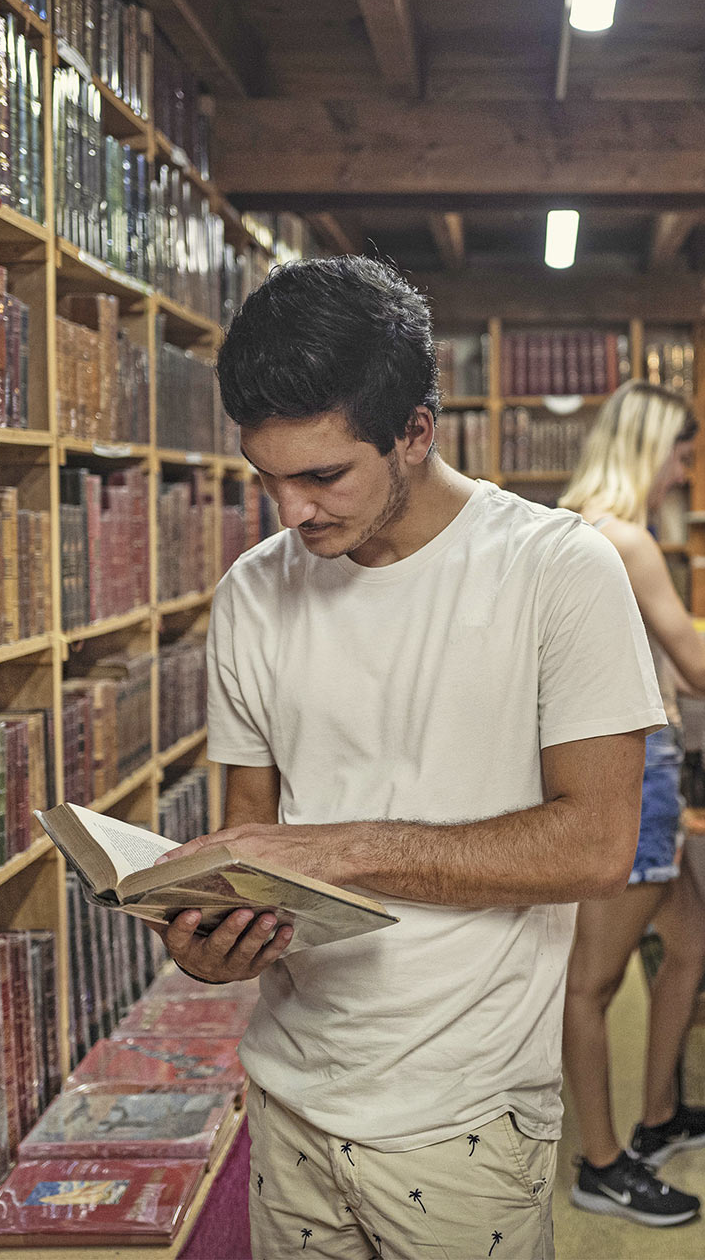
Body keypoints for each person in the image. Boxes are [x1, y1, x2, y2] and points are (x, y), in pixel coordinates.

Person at [166, 258, 668, 1260]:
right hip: (289, 1091)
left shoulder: (559, 568)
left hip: (466, 1108)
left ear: (415, 430)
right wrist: (208, 934)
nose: (292, 511)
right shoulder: (254, 592)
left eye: (322, 474)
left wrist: (340, 851)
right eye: (267, 477)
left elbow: (600, 843)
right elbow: (254, 837)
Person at [555, 382, 705, 1227]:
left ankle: (658, 1117)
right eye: (682, 456)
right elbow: (700, 672)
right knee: (591, 980)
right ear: (650, 447)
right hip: (637, 766)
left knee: (692, 940)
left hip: (600, 758)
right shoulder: (626, 540)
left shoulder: (568, 525)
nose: (683, 473)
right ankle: (600, 1162)